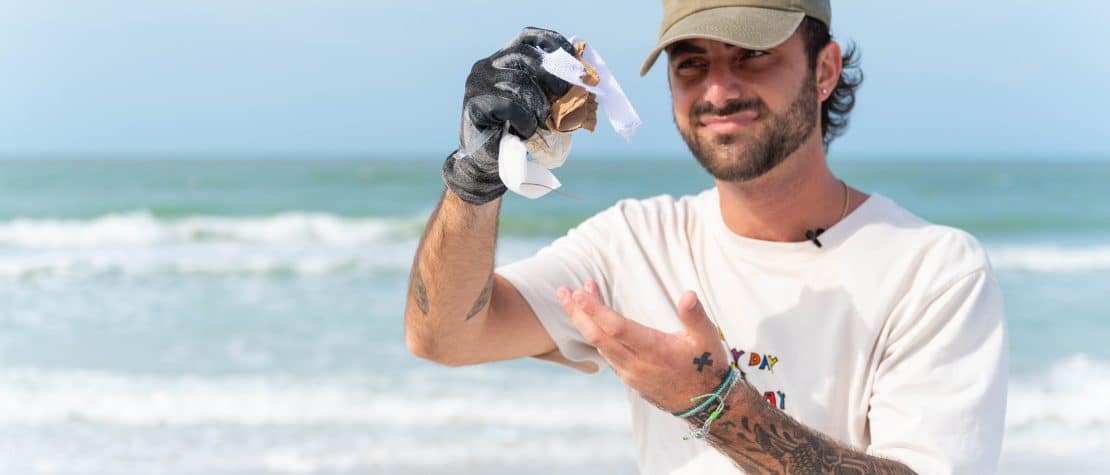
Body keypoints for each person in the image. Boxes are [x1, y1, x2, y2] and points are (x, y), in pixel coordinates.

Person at [405, 0, 1007, 473]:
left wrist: (715, 404)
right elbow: (445, 336)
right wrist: (476, 177)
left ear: (824, 71)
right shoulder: (635, 241)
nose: (718, 90)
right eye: (691, 63)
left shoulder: (933, 270)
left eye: (752, 54)